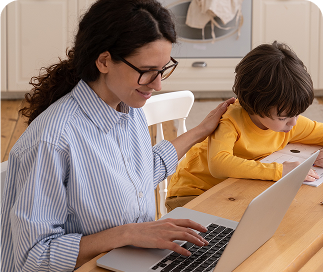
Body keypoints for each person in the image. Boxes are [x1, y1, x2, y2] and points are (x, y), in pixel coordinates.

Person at [0, 0, 236, 271]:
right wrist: (128, 233)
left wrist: (200, 131)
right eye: (147, 71)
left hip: (128, 261)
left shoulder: (128, 106)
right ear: (104, 61)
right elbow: (33, 258)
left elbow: (141, 172)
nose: (158, 84)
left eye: (163, 69)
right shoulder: (53, 141)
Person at [166, 41, 323, 212]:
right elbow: (219, 165)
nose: (293, 123)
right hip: (192, 194)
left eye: (296, 114)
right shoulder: (230, 120)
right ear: (257, 106)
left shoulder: (288, 123)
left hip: (234, 190)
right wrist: (280, 170)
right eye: (283, 117)